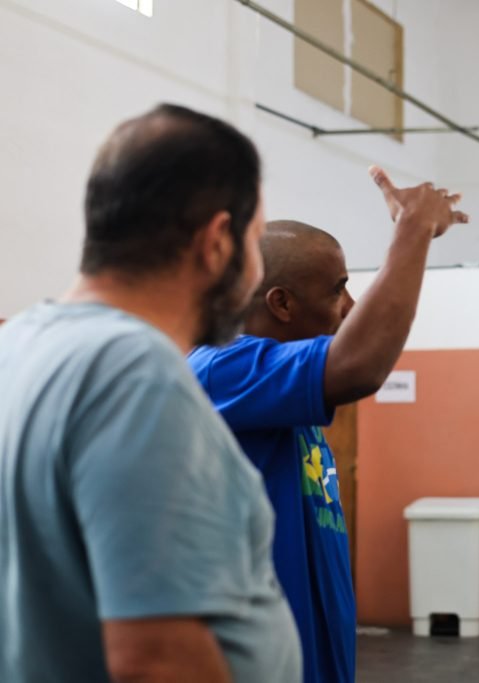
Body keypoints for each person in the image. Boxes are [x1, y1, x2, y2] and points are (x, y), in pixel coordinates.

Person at [0, 104, 300, 682]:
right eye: (257, 238)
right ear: (217, 241)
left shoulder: (18, 348)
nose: (257, 264)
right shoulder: (133, 374)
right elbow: (157, 661)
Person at [189, 171, 468, 683]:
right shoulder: (218, 371)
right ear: (282, 303)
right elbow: (360, 363)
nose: (350, 307)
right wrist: (413, 231)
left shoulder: (280, 393)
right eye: (338, 289)